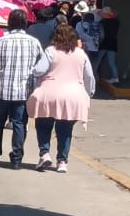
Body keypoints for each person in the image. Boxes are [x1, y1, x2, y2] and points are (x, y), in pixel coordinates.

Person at [28, 23, 96, 173]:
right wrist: (89, 92)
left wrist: (33, 71)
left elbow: (39, 70)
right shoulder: (80, 54)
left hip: (49, 94)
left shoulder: (51, 51)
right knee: (65, 129)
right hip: (73, 96)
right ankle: (62, 162)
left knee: (43, 124)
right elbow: (89, 76)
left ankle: (44, 153)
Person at [0, 10, 42, 168]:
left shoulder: (0, 41)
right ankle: (17, 158)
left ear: (9, 23)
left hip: (2, 89)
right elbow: (40, 67)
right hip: (23, 90)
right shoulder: (34, 42)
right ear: (25, 23)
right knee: (19, 124)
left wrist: (2, 73)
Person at [97, 6, 120, 84]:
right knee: (112, 62)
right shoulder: (116, 21)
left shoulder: (102, 22)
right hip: (113, 43)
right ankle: (115, 77)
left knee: (97, 61)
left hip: (103, 43)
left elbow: (100, 34)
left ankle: (94, 76)